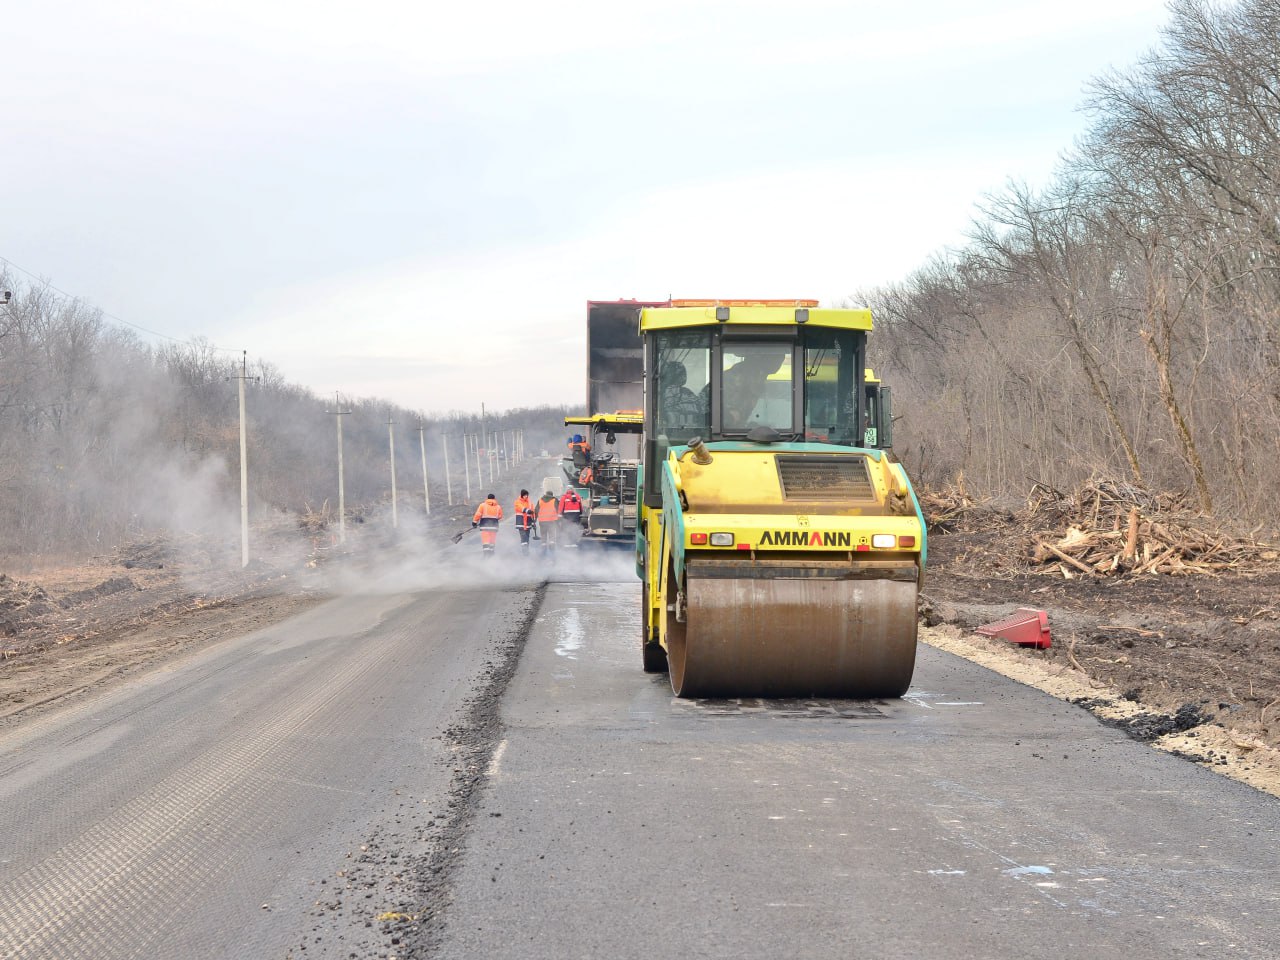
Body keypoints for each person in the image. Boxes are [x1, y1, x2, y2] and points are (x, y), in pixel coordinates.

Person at [659, 360, 706, 428]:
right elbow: (700, 409)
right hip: (682, 431)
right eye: (682, 374)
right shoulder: (682, 392)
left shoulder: (660, 392)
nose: (684, 377)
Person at [535, 489, 560, 555]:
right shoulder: (554, 500)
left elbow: (536, 510)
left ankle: (543, 546)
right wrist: (559, 520)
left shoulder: (540, 500)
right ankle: (552, 547)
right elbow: (558, 509)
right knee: (551, 534)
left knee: (543, 534)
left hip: (542, 521)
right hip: (551, 520)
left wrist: (534, 520)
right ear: (552, 495)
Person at [513, 489, 535, 553]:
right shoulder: (517, 502)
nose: (526, 496)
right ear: (522, 495)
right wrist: (527, 510)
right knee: (523, 537)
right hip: (521, 523)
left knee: (527, 537)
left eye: (527, 495)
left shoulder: (530, 503)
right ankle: (524, 551)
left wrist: (533, 522)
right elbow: (520, 507)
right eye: (525, 495)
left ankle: (526, 550)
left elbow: (532, 512)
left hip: (528, 523)